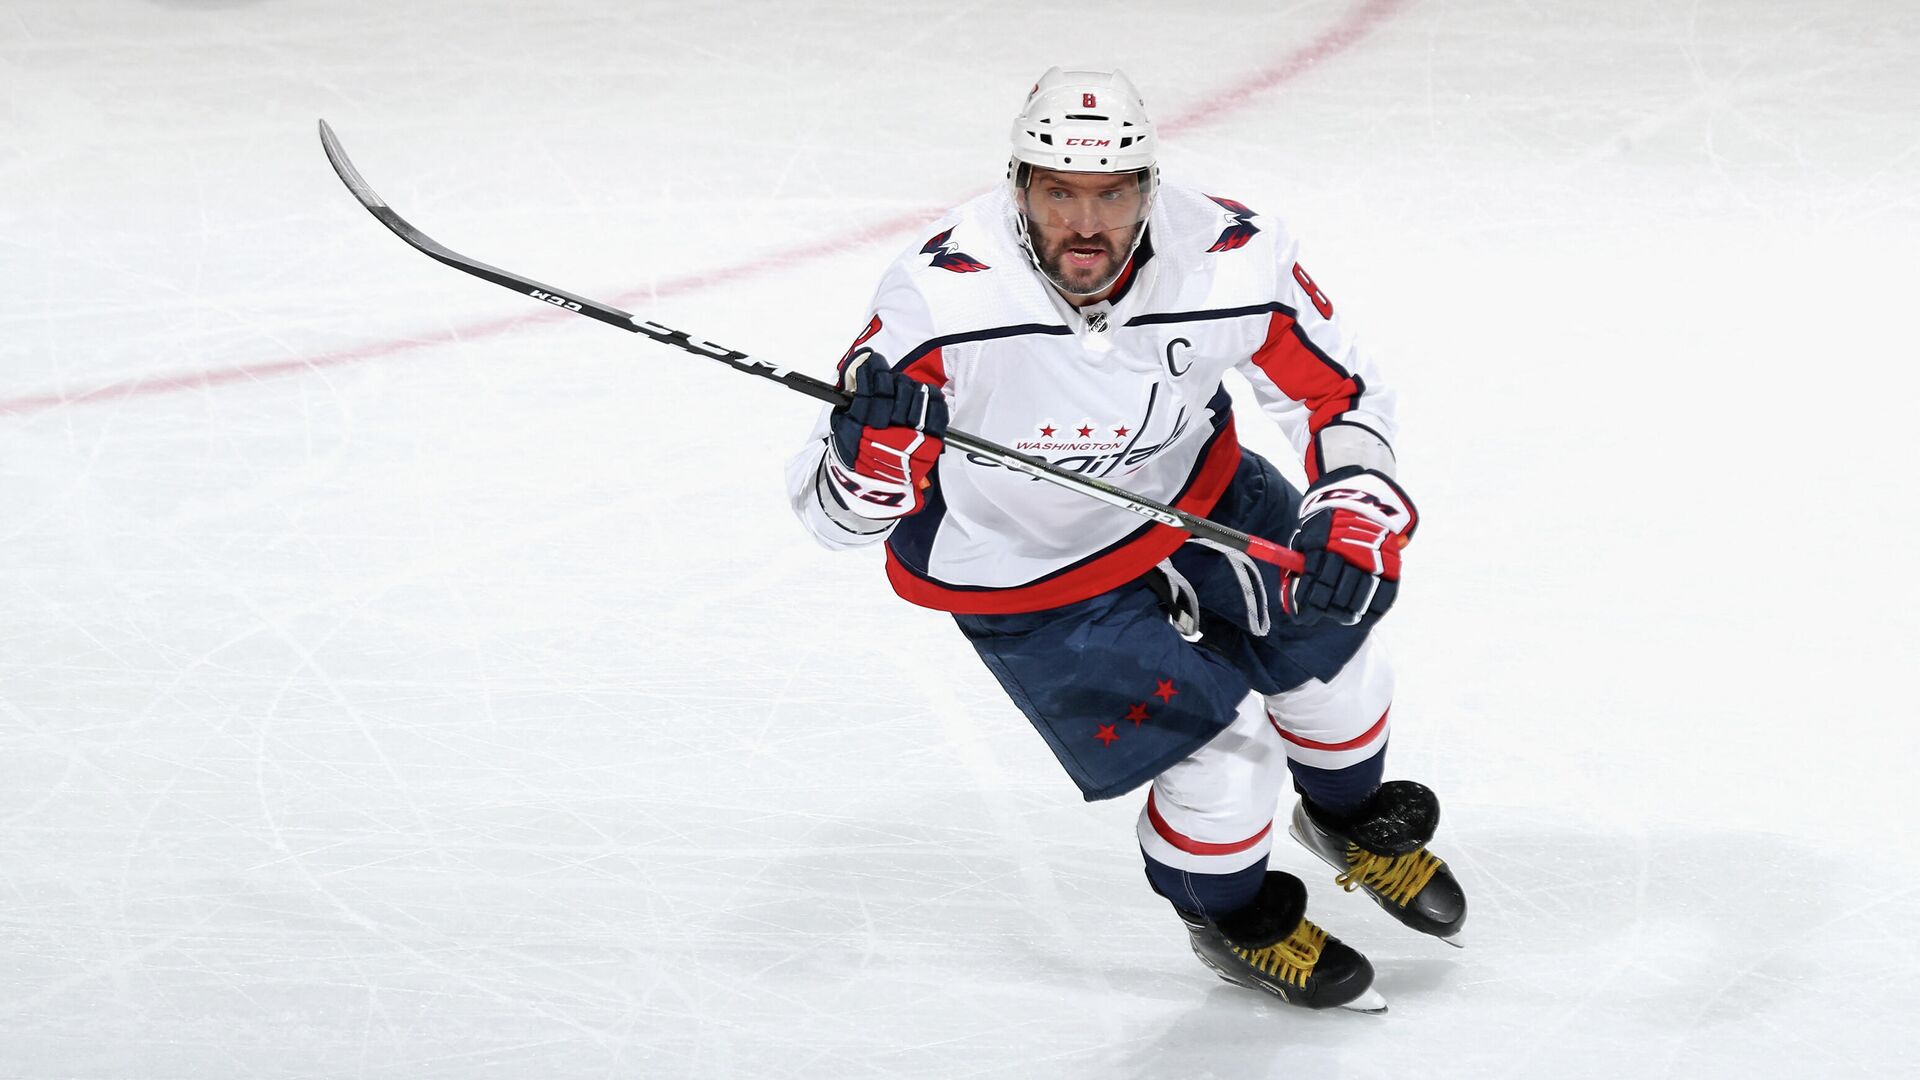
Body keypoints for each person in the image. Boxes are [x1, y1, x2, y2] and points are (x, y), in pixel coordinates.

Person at [785, 67, 1464, 1013]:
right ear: (1019, 185)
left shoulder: (1232, 253)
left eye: (1112, 193)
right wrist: (870, 465)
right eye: (1059, 192)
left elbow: (1339, 393)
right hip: (1029, 564)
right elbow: (833, 517)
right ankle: (1235, 918)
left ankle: (1352, 821)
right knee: (1228, 771)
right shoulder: (939, 301)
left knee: (1345, 675)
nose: (1086, 223)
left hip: (1195, 492)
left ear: (1150, 187)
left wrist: (1352, 500)